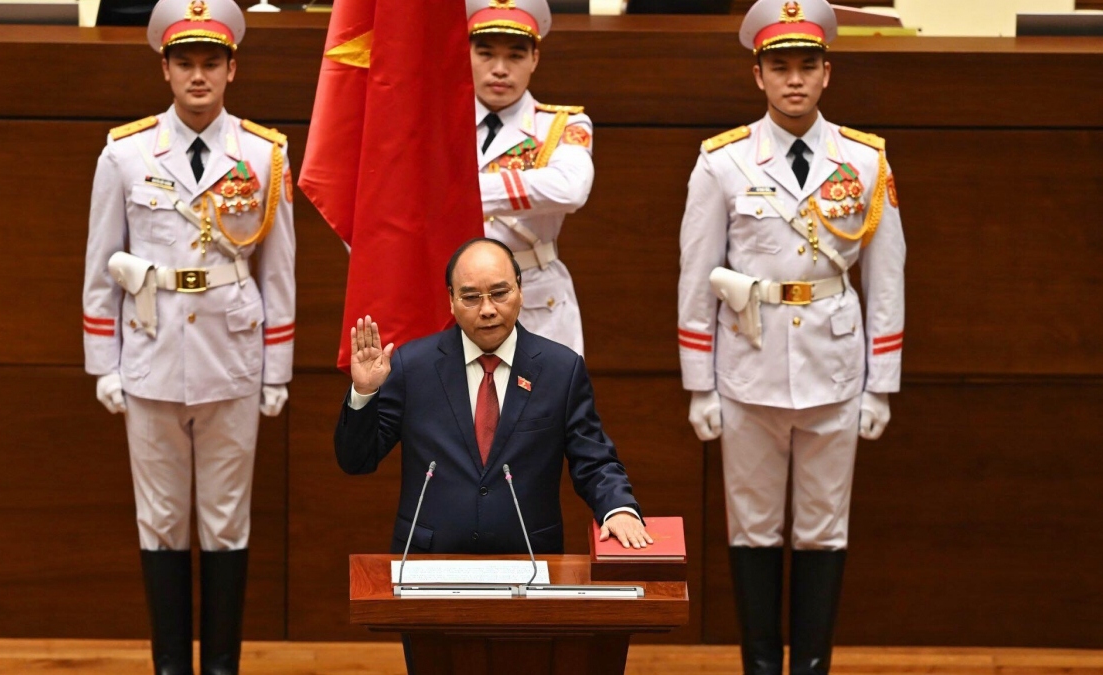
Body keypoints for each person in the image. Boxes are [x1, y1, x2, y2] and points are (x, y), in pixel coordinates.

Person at [676, 2, 906, 674]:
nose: (795, 80)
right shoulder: (722, 161)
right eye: (781, 66)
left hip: (834, 369)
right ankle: (759, 666)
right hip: (747, 368)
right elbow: (696, 271)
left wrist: (880, 386)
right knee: (751, 529)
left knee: (823, 530)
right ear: (759, 75)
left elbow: (887, 275)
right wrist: (699, 384)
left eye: (808, 65)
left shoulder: (863, 160)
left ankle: (810, 665)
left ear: (827, 72)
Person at [81, 0, 296, 672]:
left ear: (232, 68)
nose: (197, 76)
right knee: (162, 521)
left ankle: (223, 665)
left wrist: (278, 368)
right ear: (165, 69)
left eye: (211, 62)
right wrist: (103, 363)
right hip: (150, 353)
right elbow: (100, 263)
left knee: (227, 521)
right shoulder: (125, 153)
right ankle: (171, 664)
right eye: (185, 62)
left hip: (232, 356)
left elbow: (279, 268)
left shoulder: (262, 155)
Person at [335, 238, 650, 556]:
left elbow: (594, 460)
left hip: (529, 560)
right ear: (451, 300)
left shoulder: (560, 370)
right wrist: (364, 392)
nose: (487, 310)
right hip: (429, 560)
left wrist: (618, 508)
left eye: (500, 294)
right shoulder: (413, 366)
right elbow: (357, 460)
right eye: (471, 297)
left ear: (520, 290)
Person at [466, 0, 594, 356]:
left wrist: (459, 193)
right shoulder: (433, 125)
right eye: (486, 54)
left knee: (542, 410)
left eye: (516, 56)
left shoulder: (561, 125)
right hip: (454, 295)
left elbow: (570, 188)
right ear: (466, 54)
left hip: (535, 295)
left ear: (535, 58)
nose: (500, 69)